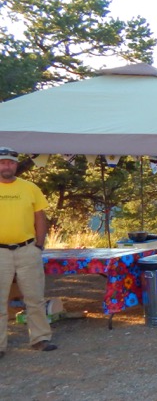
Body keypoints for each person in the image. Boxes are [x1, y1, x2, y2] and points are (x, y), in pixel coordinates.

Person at [0, 147, 57, 356]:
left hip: (27, 249)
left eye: (11, 162)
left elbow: (40, 217)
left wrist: (39, 245)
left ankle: (40, 338)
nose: (7, 166)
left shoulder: (30, 188)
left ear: (16, 165)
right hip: (0, 253)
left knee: (34, 297)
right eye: (3, 162)